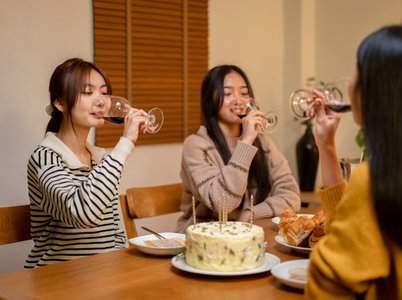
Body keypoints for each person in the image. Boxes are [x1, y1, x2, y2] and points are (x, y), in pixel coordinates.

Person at [305, 24, 402, 299]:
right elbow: (357, 236)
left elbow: (329, 283)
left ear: (378, 93)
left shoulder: (379, 179)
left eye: (357, 70)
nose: (350, 82)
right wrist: (327, 145)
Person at [25, 58, 148, 268]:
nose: (101, 101)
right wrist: (126, 142)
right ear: (60, 102)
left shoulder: (98, 158)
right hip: (58, 281)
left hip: (104, 276)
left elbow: (113, 231)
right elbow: (83, 214)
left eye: (104, 92)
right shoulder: (46, 157)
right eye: (88, 92)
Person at [175, 65, 300, 232]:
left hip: (247, 237)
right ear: (209, 100)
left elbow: (291, 195)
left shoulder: (263, 143)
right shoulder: (196, 145)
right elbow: (222, 204)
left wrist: (250, 214)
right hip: (203, 242)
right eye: (227, 94)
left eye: (244, 93)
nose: (239, 101)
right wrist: (246, 141)